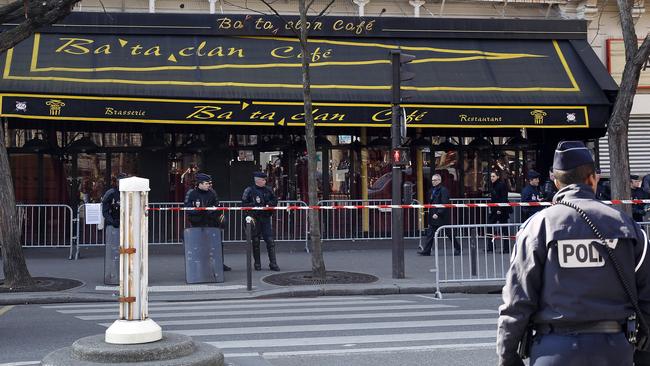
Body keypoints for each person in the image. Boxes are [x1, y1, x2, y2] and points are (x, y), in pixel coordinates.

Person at [497, 141, 650, 366]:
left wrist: (507, 355)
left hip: (553, 350)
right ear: (593, 178)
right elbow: (647, 296)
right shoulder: (627, 226)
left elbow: (518, 300)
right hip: (614, 349)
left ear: (556, 182)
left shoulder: (538, 226)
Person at [184, 173, 231, 271]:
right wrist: (198, 211)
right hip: (197, 223)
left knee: (217, 244)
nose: (208, 185)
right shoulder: (191, 193)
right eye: (206, 183)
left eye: (209, 183)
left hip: (211, 222)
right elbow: (187, 208)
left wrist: (213, 211)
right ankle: (197, 265)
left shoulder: (212, 193)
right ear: (199, 184)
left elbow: (217, 206)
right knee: (197, 245)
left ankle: (219, 264)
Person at [242, 172, 280, 271]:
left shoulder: (268, 189)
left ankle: (273, 263)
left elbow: (275, 200)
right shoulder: (249, 190)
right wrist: (254, 206)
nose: (265, 181)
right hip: (255, 218)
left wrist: (268, 204)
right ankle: (257, 264)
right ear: (258, 180)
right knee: (255, 241)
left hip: (265, 218)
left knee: (270, 241)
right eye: (263, 180)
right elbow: (244, 204)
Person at [417, 174, 461, 256]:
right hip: (433, 215)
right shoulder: (432, 190)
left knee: (449, 233)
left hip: (442, 216)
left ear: (439, 180)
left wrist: (438, 213)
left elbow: (444, 203)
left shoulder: (443, 190)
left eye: (435, 180)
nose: (433, 182)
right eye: (432, 180)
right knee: (430, 233)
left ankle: (458, 248)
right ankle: (427, 250)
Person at [488, 171, 511, 253]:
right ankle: (490, 247)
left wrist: (499, 209)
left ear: (497, 177)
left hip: (501, 210)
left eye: (493, 176)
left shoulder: (501, 185)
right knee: (490, 227)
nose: (491, 178)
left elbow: (504, 198)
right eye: (491, 176)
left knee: (504, 229)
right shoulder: (494, 185)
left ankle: (505, 249)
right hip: (495, 209)